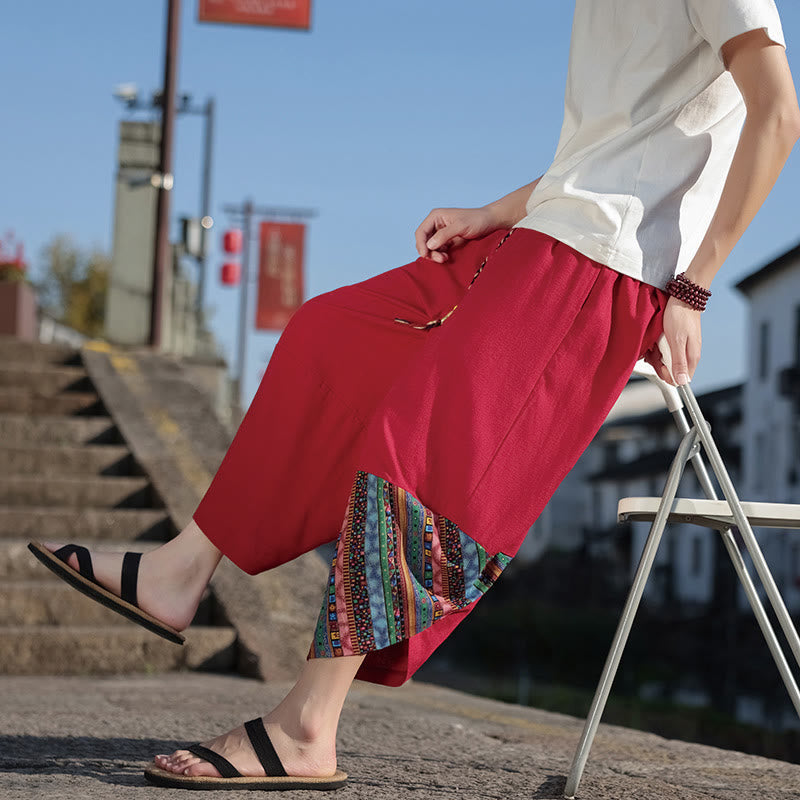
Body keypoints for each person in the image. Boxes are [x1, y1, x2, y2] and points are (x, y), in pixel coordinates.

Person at [29, 0, 799, 791]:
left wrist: (693, 287)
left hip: (604, 268)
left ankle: (306, 726)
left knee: (423, 454)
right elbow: (608, 151)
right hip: (545, 233)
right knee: (331, 338)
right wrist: (492, 212)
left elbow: (777, 113)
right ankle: (181, 570)